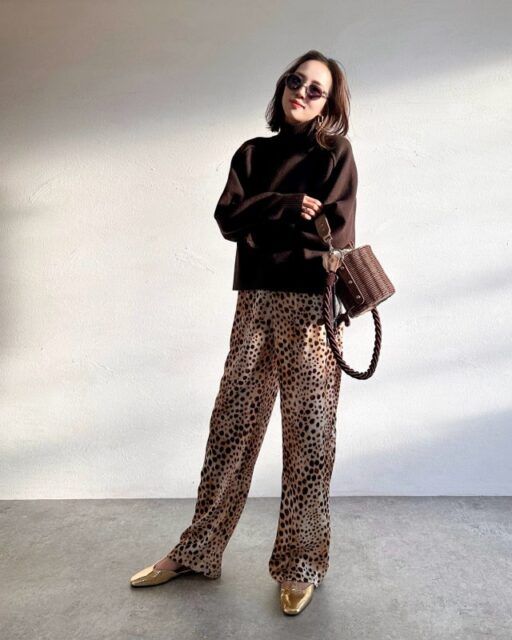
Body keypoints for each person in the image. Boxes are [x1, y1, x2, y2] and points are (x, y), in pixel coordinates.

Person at [130, 49, 358, 616]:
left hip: (311, 309)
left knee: (309, 439)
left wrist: (260, 224)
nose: (302, 92)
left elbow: (335, 230)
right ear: (283, 85)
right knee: (231, 427)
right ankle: (198, 550)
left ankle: (301, 565)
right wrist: (283, 206)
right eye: (296, 81)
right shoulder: (252, 154)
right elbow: (227, 219)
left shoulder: (335, 154)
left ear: (329, 103)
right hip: (254, 303)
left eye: (316, 89)